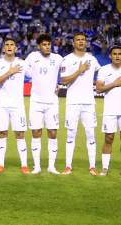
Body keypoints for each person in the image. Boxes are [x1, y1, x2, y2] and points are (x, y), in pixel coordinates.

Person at [60, 32, 101, 176]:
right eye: (78, 40)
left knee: (91, 134)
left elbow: (100, 75)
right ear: (73, 43)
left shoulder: (92, 59)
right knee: (71, 134)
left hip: (89, 103)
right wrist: (79, 70)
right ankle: (68, 166)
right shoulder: (67, 60)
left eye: (83, 40)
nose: (81, 42)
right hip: (73, 103)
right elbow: (64, 81)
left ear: (86, 42)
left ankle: (92, 167)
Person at [25, 34, 63, 174]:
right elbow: (24, 70)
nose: (47, 47)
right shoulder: (32, 57)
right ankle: (37, 166)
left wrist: (59, 84)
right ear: (39, 46)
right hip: (36, 101)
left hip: (52, 102)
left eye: (49, 44)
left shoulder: (58, 58)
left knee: (53, 132)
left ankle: (51, 166)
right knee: (36, 132)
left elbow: (65, 73)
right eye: (44, 45)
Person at [0, 37, 30, 174]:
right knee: (2, 133)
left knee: (20, 134)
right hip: (2, 105)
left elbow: (34, 77)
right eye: (6, 44)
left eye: (12, 44)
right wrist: (10, 72)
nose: (9, 46)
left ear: (16, 48)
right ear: (3, 48)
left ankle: (24, 165)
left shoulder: (23, 64)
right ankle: (0, 165)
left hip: (17, 105)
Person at [95, 45, 121, 176]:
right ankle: (105, 168)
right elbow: (98, 89)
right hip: (110, 109)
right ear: (110, 56)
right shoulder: (104, 70)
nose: (117, 56)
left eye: (119, 54)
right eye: (115, 54)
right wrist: (115, 83)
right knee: (109, 138)